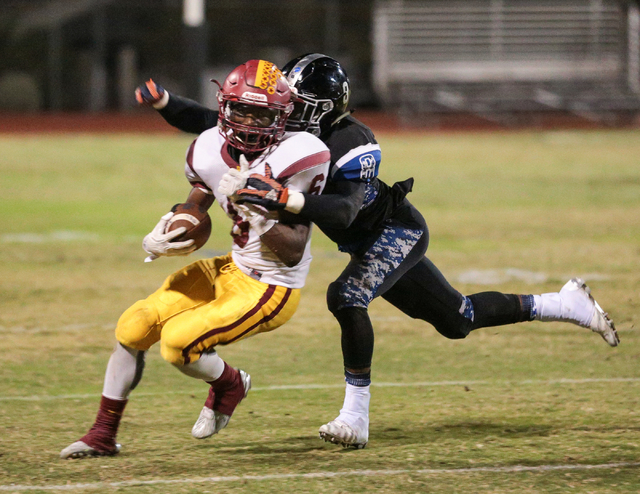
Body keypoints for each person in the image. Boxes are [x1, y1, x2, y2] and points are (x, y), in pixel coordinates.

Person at [135, 53, 619, 450]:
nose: (286, 109)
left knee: (346, 296)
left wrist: (285, 199)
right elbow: (208, 120)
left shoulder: (352, 140)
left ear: (324, 109)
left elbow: (343, 213)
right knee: (458, 319)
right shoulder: (285, 127)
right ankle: (563, 303)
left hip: (394, 233)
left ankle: (355, 416)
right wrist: (164, 102)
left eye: (299, 103)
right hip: (362, 241)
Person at [60, 59, 330, 459]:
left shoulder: (302, 154)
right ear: (224, 106)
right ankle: (102, 433)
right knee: (133, 327)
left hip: (272, 284)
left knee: (178, 344)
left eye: (263, 114)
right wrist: (172, 228)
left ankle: (229, 384)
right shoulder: (206, 146)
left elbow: (292, 252)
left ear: (283, 117)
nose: (251, 123)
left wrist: (254, 206)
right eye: (242, 110)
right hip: (231, 267)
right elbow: (198, 206)